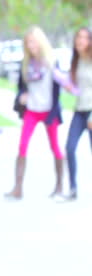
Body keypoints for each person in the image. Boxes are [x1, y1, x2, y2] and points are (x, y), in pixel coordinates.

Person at [7, 26, 78, 199]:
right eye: (28, 43)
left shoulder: (51, 62)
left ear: (41, 42)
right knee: (22, 145)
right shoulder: (25, 64)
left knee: (55, 147)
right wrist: (21, 96)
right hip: (32, 110)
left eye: (33, 42)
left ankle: (59, 186)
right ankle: (18, 188)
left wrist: (53, 112)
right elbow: (21, 87)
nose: (31, 46)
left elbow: (58, 89)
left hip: (49, 110)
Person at [64, 27, 92, 201]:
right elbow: (77, 88)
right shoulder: (76, 61)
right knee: (69, 148)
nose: (81, 40)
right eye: (78, 37)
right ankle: (73, 188)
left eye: (85, 37)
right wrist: (70, 87)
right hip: (79, 110)